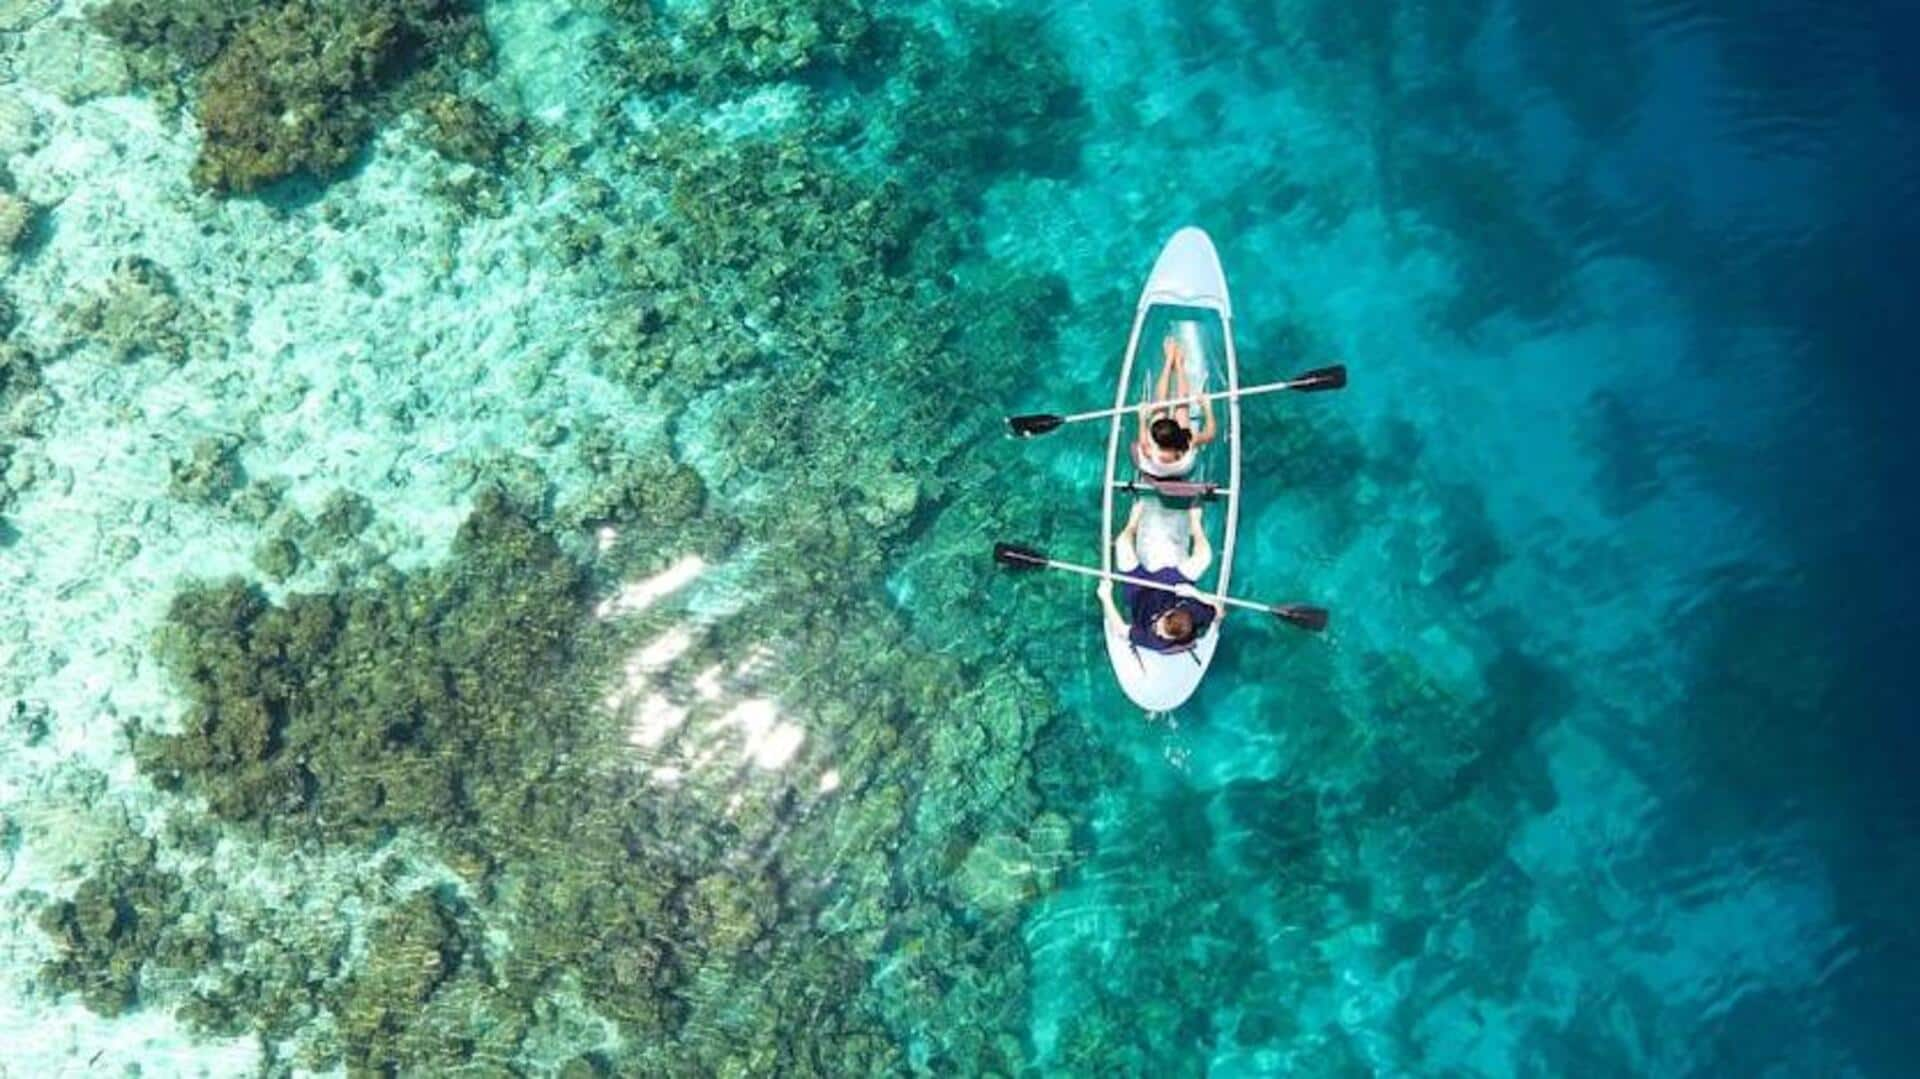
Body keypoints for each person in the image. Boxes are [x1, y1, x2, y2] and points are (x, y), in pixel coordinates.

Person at [1099, 500, 1223, 654]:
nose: (1157, 631)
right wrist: (1194, 593)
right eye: (1160, 626)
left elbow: (1121, 630)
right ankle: (1194, 522)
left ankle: (1133, 522)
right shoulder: (1195, 613)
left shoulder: (1156, 641)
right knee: (1205, 557)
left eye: (1162, 633)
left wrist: (1105, 597)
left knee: (1122, 545)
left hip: (1139, 593)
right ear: (1169, 612)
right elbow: (1219, 612)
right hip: (1171, 586)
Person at [1133, 333, 1218, 481]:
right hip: (1182, 469)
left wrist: (1142, 418)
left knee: (1159, 407)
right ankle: (1179, 363)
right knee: (1182, 407)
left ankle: (1169, 360)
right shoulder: (1187, 443)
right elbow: (1210, 433)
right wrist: (1207, 407)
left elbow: (1142, 436)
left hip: (1156, 469)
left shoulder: (1149, 449)